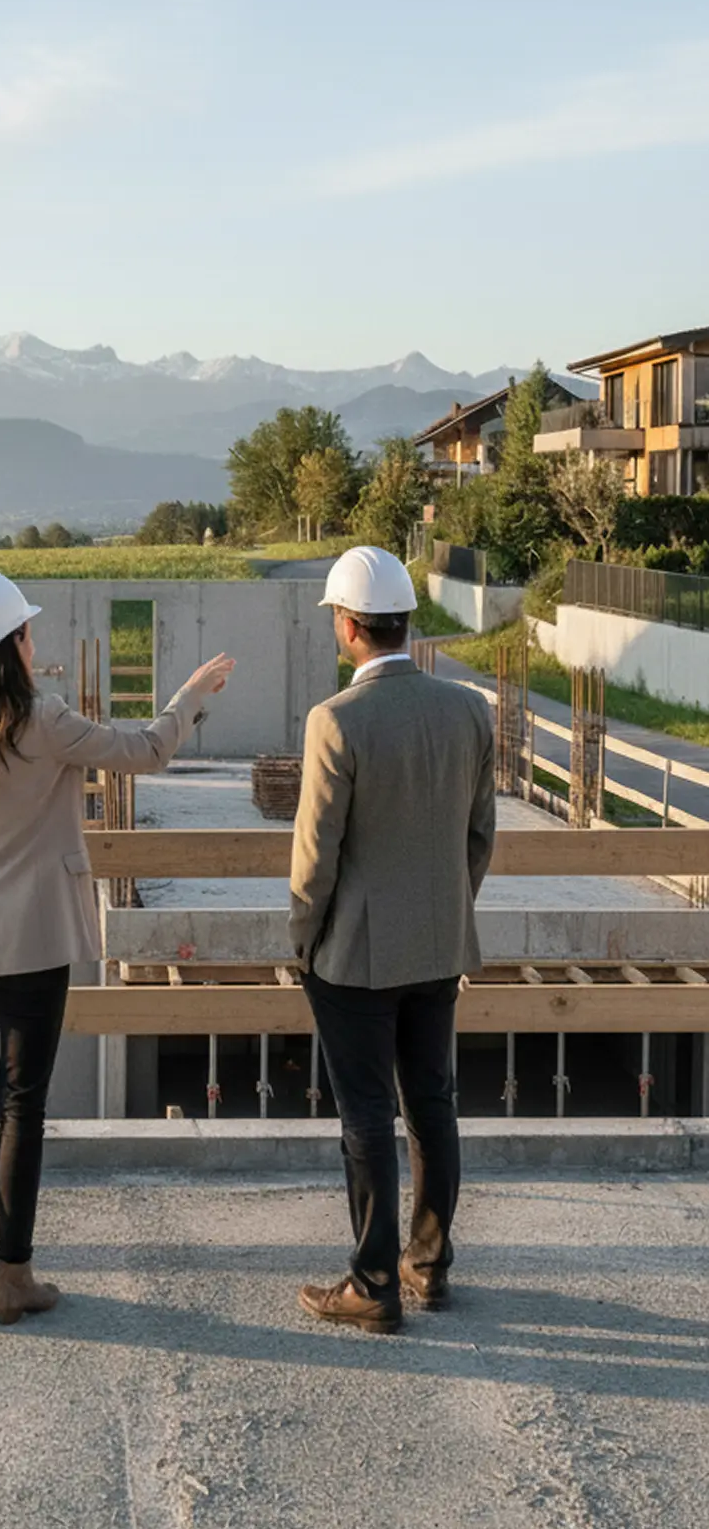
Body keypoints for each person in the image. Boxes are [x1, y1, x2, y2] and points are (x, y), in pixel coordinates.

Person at [0, 569, 235, 1324]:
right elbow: (146, 750)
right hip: (35, 936)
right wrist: (190, 696)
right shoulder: (43, 719)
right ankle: (15, 1278)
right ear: (15, 642)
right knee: (21, 1106)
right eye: (28, 632)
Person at [290, 545, 495, 1334]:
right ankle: (428, 1266)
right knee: (432, 1104)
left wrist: (304, 939)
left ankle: (373, 1284)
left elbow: (316, 857)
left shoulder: (336, 720)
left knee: (367, 1116)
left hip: (355, 956)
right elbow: (480, 835)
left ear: (348, 627)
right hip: (439, 948)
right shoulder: (468, 711)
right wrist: (448, 909)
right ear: (406, 621)